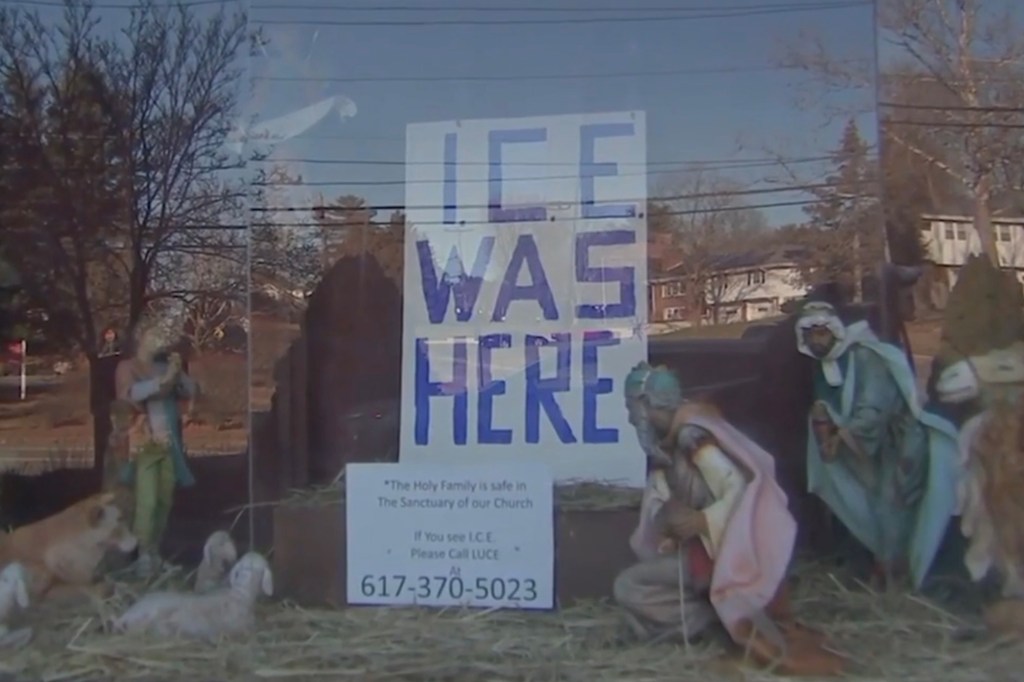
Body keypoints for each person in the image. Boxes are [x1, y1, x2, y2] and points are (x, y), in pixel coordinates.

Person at [614, 362, 843, 676]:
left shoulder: (692, 437)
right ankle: (717, 619)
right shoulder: (669, 443)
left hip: (718, 550)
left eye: (632, 407)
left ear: (646, 404)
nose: (630, 417)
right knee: (642, 586)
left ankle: (718, 622)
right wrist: (668, 520)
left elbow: (735, 487)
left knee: (629, 586)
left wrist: (701, 521)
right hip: (699, 547)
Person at [795, 301, 960, 590]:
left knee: (892, 505)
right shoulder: (826, 365)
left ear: (835, 331)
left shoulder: (867, 357)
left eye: (821, 333)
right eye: (810, 335)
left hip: (903, 442)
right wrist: (824, 426)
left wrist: (840, 438)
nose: (816, 341)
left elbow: (873, 409)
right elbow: (827, 406)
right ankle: (887, 570)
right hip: (875, 447)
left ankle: (902, 579)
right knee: (876, 508)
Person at [114, 317, 199, 577]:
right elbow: (131, 394)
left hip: (168, 445)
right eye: (153, 335)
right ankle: (141, 555)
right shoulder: (127, 367)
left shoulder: (164, 367)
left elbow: (191, 390)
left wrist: (178, 374)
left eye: (161, 336)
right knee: (147, 503)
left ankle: (154, 551)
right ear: (140, 338)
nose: (158, 341)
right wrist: (163, 381)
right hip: (143, 446)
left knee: (164, 501)